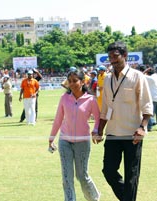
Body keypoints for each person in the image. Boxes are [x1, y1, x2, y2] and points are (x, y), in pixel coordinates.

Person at [96, 41, 153, 201]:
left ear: (125, 56)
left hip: (132, 134)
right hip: (113, 133)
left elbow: (147, 106)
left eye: (115, 57)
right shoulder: (107, 79)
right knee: (108, 171)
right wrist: (100, 129)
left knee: (131, 175)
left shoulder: (137, 77)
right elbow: (106, 107)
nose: (112, 60)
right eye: (110, 58)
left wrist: (143, 127)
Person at [48, 69, 101, 201]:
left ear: (83, 82)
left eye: (75, 81)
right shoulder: (64, 98)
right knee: (67, 176)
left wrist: (95, 131)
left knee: (82, 175)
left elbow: (98, 119)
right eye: (69, 81)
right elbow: (58, 119)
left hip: (83, 142)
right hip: (65, 141)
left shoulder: (91, 100)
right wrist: (51, 138)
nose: (71, 84)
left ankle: (94, 198)